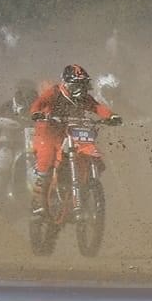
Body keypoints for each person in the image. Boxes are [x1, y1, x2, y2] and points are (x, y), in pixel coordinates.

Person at [28, 65, 120, 214]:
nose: (81, 90)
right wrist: (37, 113)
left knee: (89, 151)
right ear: (67, 84)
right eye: (77, 85)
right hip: (49, 133)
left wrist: (111, 116)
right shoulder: (55, 92)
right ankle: (38, 200)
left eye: (83, 86)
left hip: (72, 132)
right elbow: (39, 103)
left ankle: (87, 186)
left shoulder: (84, 98)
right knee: (46, 158)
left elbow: (97, 107)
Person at [0, 80, 41, 204]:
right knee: (4, 162)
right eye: (24, 90)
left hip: (36, 145)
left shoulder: (41, 106)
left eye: (30, 91)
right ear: (19, 91)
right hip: (11, 145)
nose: (27, 95)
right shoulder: (8, 106)